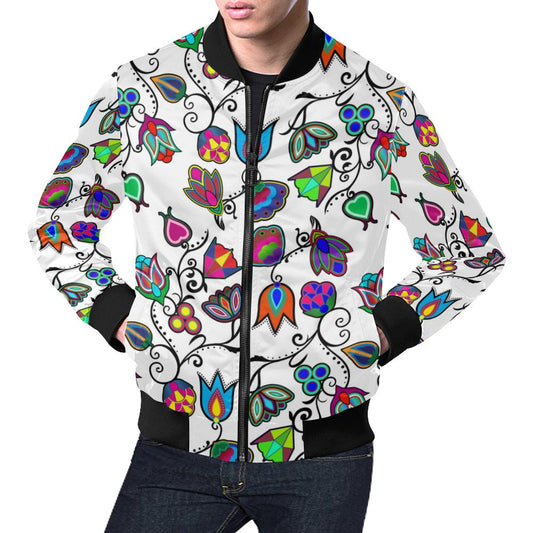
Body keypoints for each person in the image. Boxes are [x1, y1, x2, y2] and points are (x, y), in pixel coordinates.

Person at [26, 1, 506, 531]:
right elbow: (59, 219)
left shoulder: (378, 104)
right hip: (176, 440)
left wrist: (377, 334)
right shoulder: (144, 89)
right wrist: (122, 316)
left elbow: (470, 250)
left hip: (324, 453)